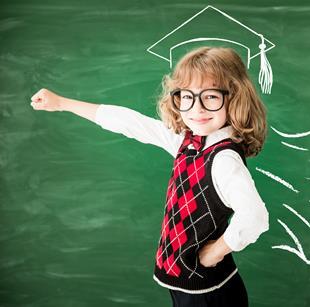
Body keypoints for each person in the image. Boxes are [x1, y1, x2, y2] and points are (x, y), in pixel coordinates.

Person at [30, 46, 269, 307]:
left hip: (209, 292)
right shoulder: (188, 143)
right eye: (186, 96)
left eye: (211, 97)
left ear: (234, 98)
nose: (196, 108)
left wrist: (215, 252)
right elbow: (131, 123)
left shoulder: (223, 160)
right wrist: (62, 103)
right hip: (189, 285)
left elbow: (255, 218)